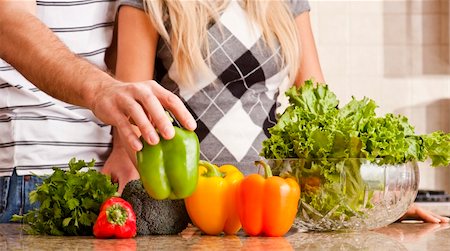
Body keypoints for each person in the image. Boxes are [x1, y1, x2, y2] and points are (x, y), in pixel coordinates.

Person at [108, 0, 449, 224]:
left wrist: (371, 203)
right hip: (189, 212)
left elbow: (317, 107)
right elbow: (132, 106)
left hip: (272, 209)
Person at [0, 0, 195, 223]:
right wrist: (101, 89)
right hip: (31, 171)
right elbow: (8, 22)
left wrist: (122, 147)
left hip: (99, 177)